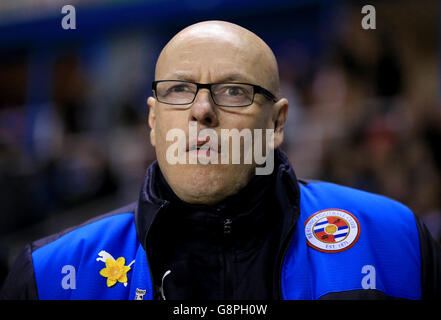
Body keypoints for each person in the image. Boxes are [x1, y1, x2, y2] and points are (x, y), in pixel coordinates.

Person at [1, 20, 440, 300]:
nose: (202, 110)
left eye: (234, 91)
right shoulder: (52, 276)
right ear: (154, 121)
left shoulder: (393, 242)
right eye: (178, 90)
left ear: (277, 123)